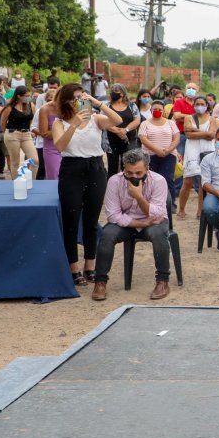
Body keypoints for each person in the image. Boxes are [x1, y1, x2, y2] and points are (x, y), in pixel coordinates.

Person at [52, 84, 123, 286]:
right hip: (72, 169)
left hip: (95, 167)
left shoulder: (95, 119)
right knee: (71, 220)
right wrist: (73, 124)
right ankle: (73, 267)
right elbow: (59, 146)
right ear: (66, 101)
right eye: (74, 98)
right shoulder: (60, 122)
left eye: (81, 97)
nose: (78, 102)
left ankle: (90, 266)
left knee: (92, 220)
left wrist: (97, 102)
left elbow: (117, 120)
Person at [91, 148, 171, 301]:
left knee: (157, 234)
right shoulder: (115, 181)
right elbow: (113, 215)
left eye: (138, 173)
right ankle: (100, 282)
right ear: (123, 169)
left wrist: (138, 196)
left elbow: (158, 214)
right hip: (127, 222)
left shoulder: (159, 181)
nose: (134, 176)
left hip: (153, 222)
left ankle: (162, 281)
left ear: (147, 169)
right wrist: (137, 223)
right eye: (129, 173)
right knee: (107, 234)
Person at [178, 95, 216, 218]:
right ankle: (182, 209)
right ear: (194, 105)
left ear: (207, 105)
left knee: (202, 182)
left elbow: (212, 135)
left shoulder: (212, 119)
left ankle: (200, 211)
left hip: (207, 150)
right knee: (187, 181)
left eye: (202, 104)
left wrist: (194, 130)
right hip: (192, 150)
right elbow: (188, 135)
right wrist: (205, 133)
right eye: (197, 104)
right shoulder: (189, 117)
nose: (200, 106)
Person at [139, 99, 182, 198]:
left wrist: (168, 150)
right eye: (155, 109)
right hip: (150, 156)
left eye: (160, 109)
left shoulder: (170, 123)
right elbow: (143, 139)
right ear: (151, 110)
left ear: (163, 111)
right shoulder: (144, 124)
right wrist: (157, 150)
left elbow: (176, 138)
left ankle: (170, 203)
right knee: (151, 179)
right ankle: (151, 201)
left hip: (169, 155)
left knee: (167, 178)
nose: (157, 111)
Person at [0, 85, 37, 175]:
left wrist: (30, 130)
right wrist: (7, 134)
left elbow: (32, 119)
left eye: (29, 96)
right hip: (12, 133)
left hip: (26, 134)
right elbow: (3, 123)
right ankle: (16, 183)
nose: (28, 98)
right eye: (26, 96)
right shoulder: (9, 107)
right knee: (15, 161)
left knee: (35, 160)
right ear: (19, 96)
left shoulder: (30, 105)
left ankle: (31, 182)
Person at [105, 84, 140, 175]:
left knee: (128, 166)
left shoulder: (132, 105)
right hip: (111, 141)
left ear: (122, 93)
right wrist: (117, 131)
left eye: (116, 90)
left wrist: (125, 130)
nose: (113, 92)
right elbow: (103, 121)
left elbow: (137, 120)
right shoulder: (107, 106)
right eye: (112, 90)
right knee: (112, 168)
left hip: (129, 140)